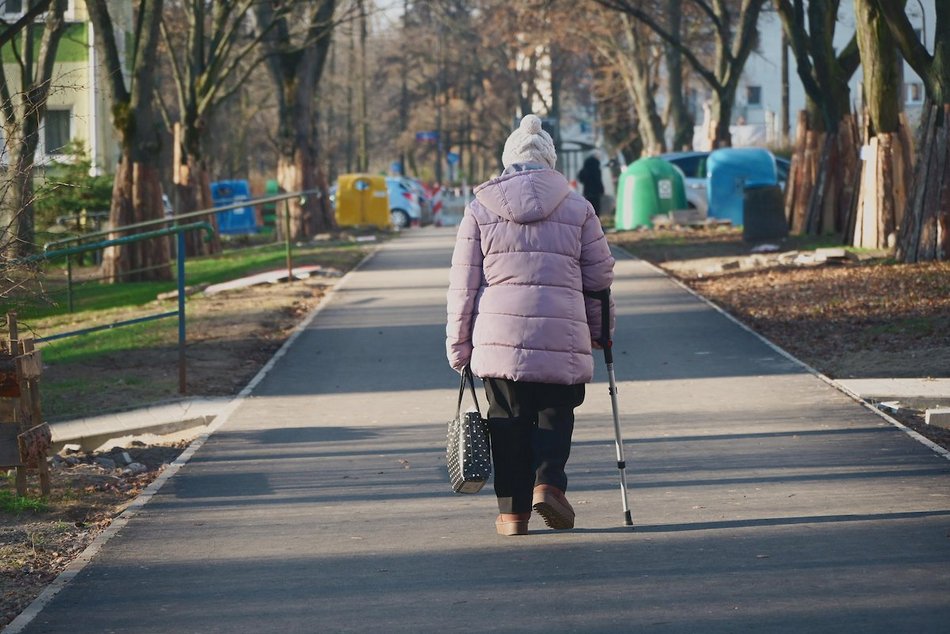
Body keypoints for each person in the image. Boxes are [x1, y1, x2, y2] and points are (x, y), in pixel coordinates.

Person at [446, 114, 615, 536]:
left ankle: (512, 514)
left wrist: (459, 345)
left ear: (507, 162)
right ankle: (548, 484)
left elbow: (463, 285)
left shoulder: (480, 208)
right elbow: (598, 283)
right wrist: (601, 333)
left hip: (499, 338)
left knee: (507, 420)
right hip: (562, 330)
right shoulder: (578, 207)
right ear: (551, 162)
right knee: (556, 412)